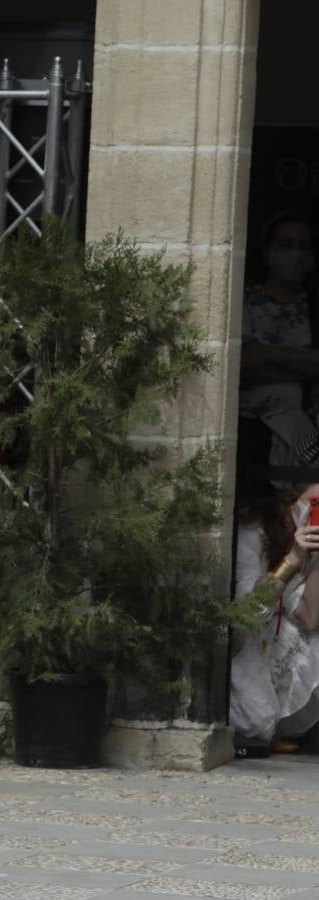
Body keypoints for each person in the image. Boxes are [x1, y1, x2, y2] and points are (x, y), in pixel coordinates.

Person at [230, 483, 319, 752]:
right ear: (297, 497)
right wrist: (293, 557)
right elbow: (247, 606)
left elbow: (310, 617)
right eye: (315, 502)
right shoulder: (256, 529)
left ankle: (281, 729)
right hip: (245, 632)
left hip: (283, 634)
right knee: (254, 717)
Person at [238, 212, 319, 485]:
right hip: (248, 431)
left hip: (306, 435)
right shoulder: (243, 301)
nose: (296, 253)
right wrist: (304, 365)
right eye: (286, 244)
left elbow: (257, 357)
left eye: (304, 246)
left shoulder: (313, 306)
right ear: (267, 251)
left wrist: (271, 353)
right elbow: (242, 363)